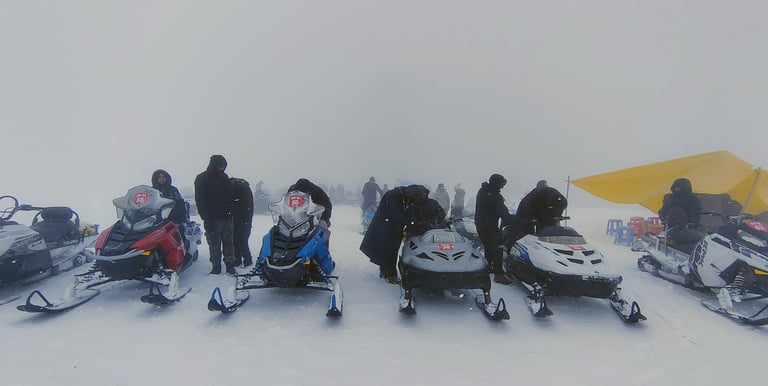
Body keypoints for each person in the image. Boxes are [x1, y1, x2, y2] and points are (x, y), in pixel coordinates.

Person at [360, 184, 429, 284]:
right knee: (388, 251)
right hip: (385, 227)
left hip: (393, 228)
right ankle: (391, 275)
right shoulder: (392, 196)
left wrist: (417, 221)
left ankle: (385, 272)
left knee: (390, 251)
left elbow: (409, 212)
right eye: (412, 200)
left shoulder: (404, 197)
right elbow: (397, 215)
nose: (412, 203)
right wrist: (413, 222)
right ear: (409, 195)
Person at [194, 155, 235, 275]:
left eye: (223, 165)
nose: (222, 168)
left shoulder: (225, 177)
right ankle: (216, 266)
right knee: (214, 243)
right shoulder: (202, 178)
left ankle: (230, 265)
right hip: (211, 218)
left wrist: (231, 211)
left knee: (228, 242)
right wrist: (205, 216)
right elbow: (200, 199)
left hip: (227, 217)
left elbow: (230, 196)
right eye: (220, 165)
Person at [475, 174, 514, 284]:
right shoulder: (494, 195)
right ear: (497, 184)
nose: (502, 187)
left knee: (488, 247)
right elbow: (503, 213)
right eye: (502, 185)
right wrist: (517, 219)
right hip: (490, 226)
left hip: (480, 224)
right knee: (498, 249)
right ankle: (499, 275)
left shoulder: (482, 191)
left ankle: (487, 268)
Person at [230, 177, 254, 267]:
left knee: (237, 239)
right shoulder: (244, 188)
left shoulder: (236, 188)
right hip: (245, 218)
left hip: (239, 218)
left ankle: (240, 260)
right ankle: (246, 259)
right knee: (243, 239)